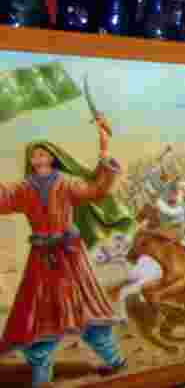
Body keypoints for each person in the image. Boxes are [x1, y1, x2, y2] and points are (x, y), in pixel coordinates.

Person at [0, 116, 131, 387]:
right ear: (31, 160)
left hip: (70, 257)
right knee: (38, 316)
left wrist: (104, 149)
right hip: (41, 260)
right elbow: (3, 197)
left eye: (43, 152)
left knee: (88, 311)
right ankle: (41, 376)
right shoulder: (24, 188)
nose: (39, 157)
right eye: (34, 154)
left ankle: (115, 359)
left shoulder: (68, 183)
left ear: (52, 156)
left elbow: (96, 190)